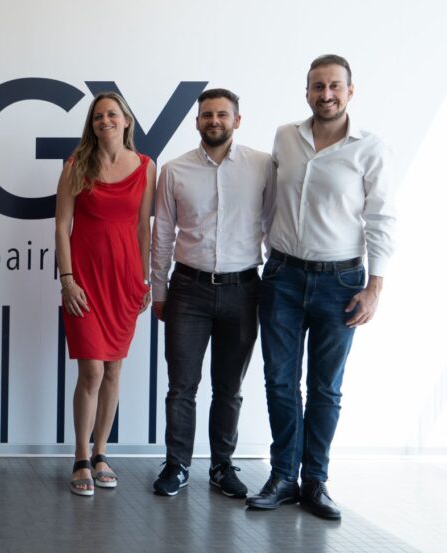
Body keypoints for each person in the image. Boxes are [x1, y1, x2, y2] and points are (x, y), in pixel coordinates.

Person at [247, 55, 395, 519]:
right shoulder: (285, 137)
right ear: (307, 91)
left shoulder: (370, 148)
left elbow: (381, 218)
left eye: (334, 86)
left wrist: (375, 287)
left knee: (325, 388)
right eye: (317, 86)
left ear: (350, 91)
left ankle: (315, 481)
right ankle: (282, 477)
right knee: (280, 382)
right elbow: (270, 201)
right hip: (283, 277)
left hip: (341, 282)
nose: (325, 94)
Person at [150, 89, 274, 497]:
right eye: (207, 114)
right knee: (181, 386)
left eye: (222, 114)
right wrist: (159, 290)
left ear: (237, 120)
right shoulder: (174, 170)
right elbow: (162, 234)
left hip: (244, 289)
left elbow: (274, 226)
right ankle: (177, 465)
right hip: (189, 289)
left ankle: (222, 467)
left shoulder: (262, 166)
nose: (214, 121)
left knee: (229, 388)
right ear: (197, 122)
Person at [56, 92, 154, 496]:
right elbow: (62, 225)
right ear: (91, 124)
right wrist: (67, 279)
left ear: (126, 120)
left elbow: (143, 227)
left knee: (113, 370)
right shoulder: (76, 164)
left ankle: (101, 453)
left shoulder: (146, 167)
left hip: (125, 281)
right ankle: (80, 456)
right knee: (92, 371)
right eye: (98, 116)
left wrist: (145, 278)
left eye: (112, 114)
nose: (105, 121)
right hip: (84, 281)